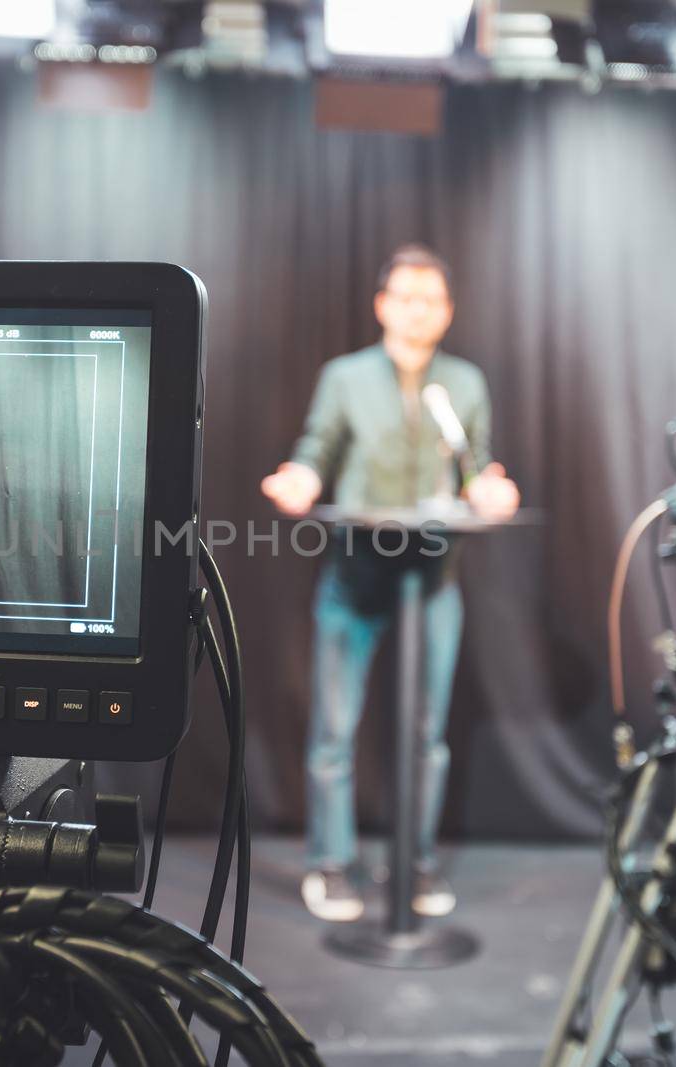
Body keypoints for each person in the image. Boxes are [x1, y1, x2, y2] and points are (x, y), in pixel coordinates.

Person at [261, 244, 520, 922]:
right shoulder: (345, 377)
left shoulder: (463, 383)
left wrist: (490, 492)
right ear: (382, 305)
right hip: (356, 579)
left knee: (427, 734)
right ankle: (331, 863)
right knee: (335, 730)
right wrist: (299, 481)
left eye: (431, 300)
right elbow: (316, 452)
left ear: (447, 311)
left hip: (433, 580)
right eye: (405, 298)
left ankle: (416, 860)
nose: (417, 311)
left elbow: (476, 468)